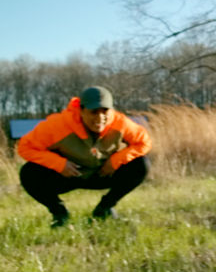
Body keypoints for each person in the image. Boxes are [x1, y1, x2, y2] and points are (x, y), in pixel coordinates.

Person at [17, 86, 152, 227]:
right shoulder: (57, 124)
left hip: (102, 174)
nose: (100, 117)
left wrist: (116, 161)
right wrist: (59, 164)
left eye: (105, 111)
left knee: (141, 164)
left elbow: (144, 142)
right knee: (28, 173)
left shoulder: (121, 123)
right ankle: (59, 213)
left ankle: (104, 208)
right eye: (93, 112)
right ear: (81, 110)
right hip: (68, 176)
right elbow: (25, 147)